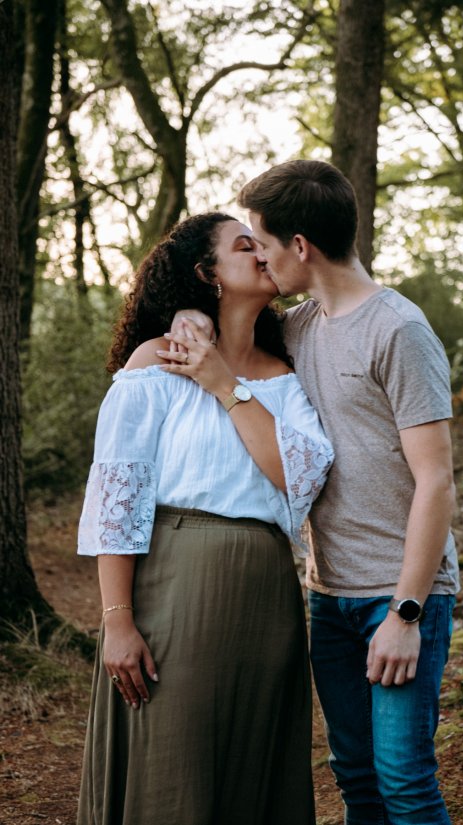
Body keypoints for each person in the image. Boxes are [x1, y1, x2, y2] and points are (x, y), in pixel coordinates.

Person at [170, 161, 459, 825]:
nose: (262, 262)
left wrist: (406, 612)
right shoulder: (299, 329)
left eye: (265, 246)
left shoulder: (399, 329)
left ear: (300, 247)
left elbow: (436, 479)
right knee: (357, 779)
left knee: (406, 782)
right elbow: (221, 324)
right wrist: (191, 311)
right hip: (329, 598)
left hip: (401, 593)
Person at [76, 212, 334, 825]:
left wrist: (226, 384)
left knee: (254, 774)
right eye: (244, 246)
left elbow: (294, 474)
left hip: (268, 598)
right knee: (175, 774)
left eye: (263, 243)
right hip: (176, 588)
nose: (262, 254)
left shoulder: (289, 378)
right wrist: (117, 622)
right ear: (207, 273)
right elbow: (120, 496)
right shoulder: (158, 360)